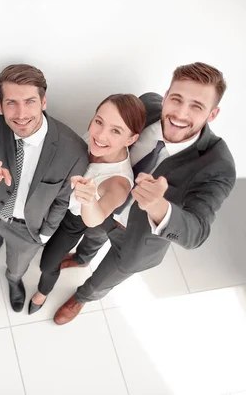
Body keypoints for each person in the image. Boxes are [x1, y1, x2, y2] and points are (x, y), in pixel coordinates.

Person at [54, 62, 236, 325]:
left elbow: (197, 233)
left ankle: (82, 298)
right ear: (165, 96)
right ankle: (81, 258)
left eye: (196, 106)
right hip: (104, 204)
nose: (180, 114)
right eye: (176, 99)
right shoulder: (145, 106)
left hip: (139, 239)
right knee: (92, 234)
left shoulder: (218, 165)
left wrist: (158, 206)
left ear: (213, 114)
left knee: (107, 277)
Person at [0, 64, 89, 312]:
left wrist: (45, 234)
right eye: (11, 103)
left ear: (43, 101)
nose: (20, 114)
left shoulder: (74, 151)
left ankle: (13, 281)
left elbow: (62, 200)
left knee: (16, 266)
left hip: (26, 228)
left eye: (29, 101)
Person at [28, 94, 146, 314]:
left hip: (72, 221)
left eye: (116, 131)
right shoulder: (93, 139)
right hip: (53, 202)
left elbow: (95, 218)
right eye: (99, 122)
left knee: (47, 264)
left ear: (131, 139)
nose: (100, 135)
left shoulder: (118, 182)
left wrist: (89, 200)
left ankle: (43, 293)